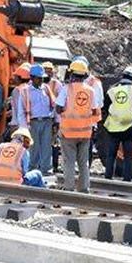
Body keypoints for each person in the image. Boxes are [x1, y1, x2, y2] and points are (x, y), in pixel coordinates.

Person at [55, 58, 101, 192]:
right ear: (85, 75)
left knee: (68, 161)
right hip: (85, 132)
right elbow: (94, 110)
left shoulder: (66, 89)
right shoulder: (91, 90)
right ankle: (84, 188)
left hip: (68, 132)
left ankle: (69, 187)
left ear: (72, 74)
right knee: (83, 162)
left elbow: (58, 108)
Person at [103, 66, 132, 181]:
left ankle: (108, 176)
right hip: (129, 127)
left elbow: (105, 107)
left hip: (113, 127)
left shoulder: (112, 89)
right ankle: (127, 179)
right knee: (128, 155)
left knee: (111, 154)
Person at [14, 63, 55, 174]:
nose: (41, 80)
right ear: (32, 78)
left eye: (42, 78)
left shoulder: (46, 88)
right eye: (38, 78)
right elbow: (21, 110)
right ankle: (32, 168)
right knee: (33, 146)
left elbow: (53, 104)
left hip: (46, 120)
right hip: (32, 122)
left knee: (46, 146)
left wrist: (55, 120)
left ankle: (46, 169)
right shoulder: (25, 91)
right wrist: (24, 127)